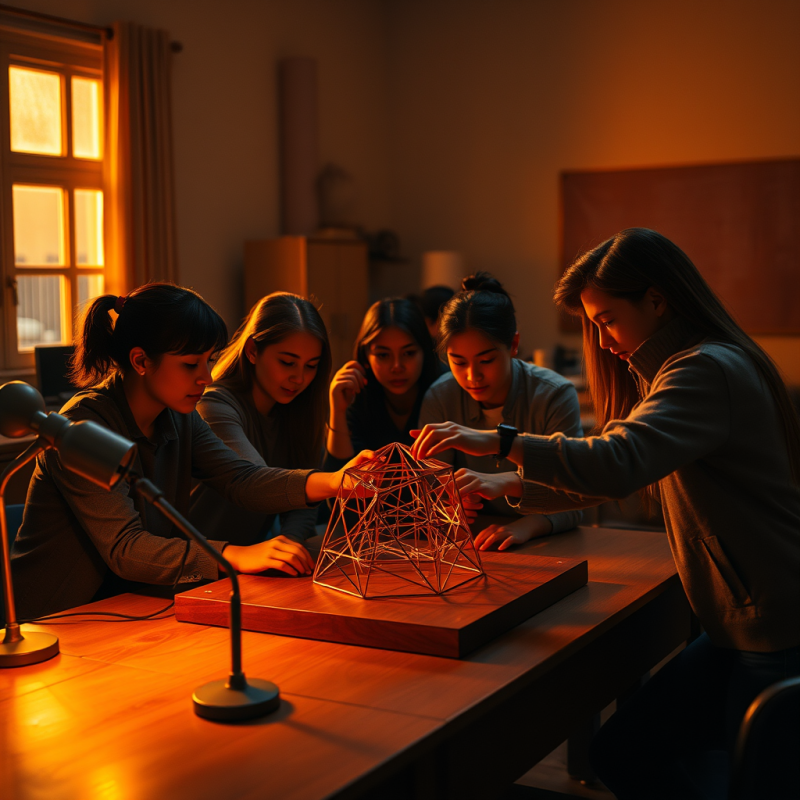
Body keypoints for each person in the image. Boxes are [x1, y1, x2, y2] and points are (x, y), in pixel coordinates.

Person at [411, 229, 800, 798]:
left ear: (656, 300)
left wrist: (500, 441)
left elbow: (617, 462)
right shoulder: (684, 366)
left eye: (608, 320)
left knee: (671, 761)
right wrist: (509, 483)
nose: (601, 337)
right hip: (742, 622)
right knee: (624, 751)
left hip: (774, 624)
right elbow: (614, 471)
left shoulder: (703, 370)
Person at [11, 283, 372, 620]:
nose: (206, 378)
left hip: (139, 606)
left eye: (208, 361)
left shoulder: (178, 416)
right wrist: (232, 554)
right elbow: (125, 548)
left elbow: (241, 479)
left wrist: (336, 481)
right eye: (190, 364)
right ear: (140, 361)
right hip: (61, 619)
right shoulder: (81, 427)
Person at [418, 272, 583, 549]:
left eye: (486, 360)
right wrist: (448, 505)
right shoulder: (440, 396)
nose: (472, 376)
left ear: (513, 345)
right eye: (458, 362)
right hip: (473, 543)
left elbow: (576, 498)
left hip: (546, 544)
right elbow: (429, 492)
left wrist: (526, 526)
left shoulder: (554, 394)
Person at [189, 292, 329, 546]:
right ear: (252, 351)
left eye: (311, 366)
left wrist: (289, 543)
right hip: (195, 560)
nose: (299, 378)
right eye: (287, 362)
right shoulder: (214, 405)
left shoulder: (298, 412)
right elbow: (253, 483)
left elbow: (303, 506)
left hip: (251, 561)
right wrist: (335, 481)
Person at [324, 297, 443, 469]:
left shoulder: (444, 390)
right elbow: (338, 476)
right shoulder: (357, 392)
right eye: (383, 355)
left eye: (408, 353)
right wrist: (337, 410)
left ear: (424, 351)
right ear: (366, 355)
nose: (397, 367)